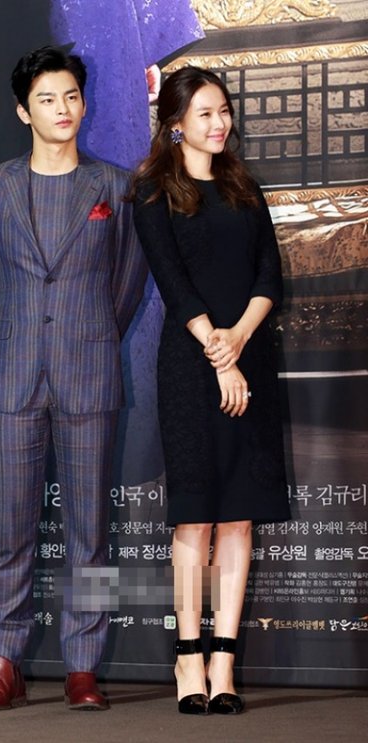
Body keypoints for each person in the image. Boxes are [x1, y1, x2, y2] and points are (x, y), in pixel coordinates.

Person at [0, 45, 147, 712]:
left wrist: (87, 333)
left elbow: (126, 285)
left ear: (84, 103)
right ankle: (4, 662)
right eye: (47, 98)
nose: (62, 108)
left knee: (89, 533)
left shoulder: (115, 188)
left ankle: (83, 667)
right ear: (24, 111)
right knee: (10, 530)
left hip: (89, 375)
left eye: (71, 95)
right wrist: (28, 333)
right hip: (12, 379)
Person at [132, 66, 290, 715]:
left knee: (239, 515)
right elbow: (173, 283)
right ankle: (188, 659)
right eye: (205, 112)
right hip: (190, 367)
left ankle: (224, 662)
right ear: (175, 123)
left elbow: (269, 275)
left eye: (223, 110)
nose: (219, 122)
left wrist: (239, 341)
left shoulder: (243, 187)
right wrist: (217, 354)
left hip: (249, 359)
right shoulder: (152, 192)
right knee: (195, 514)